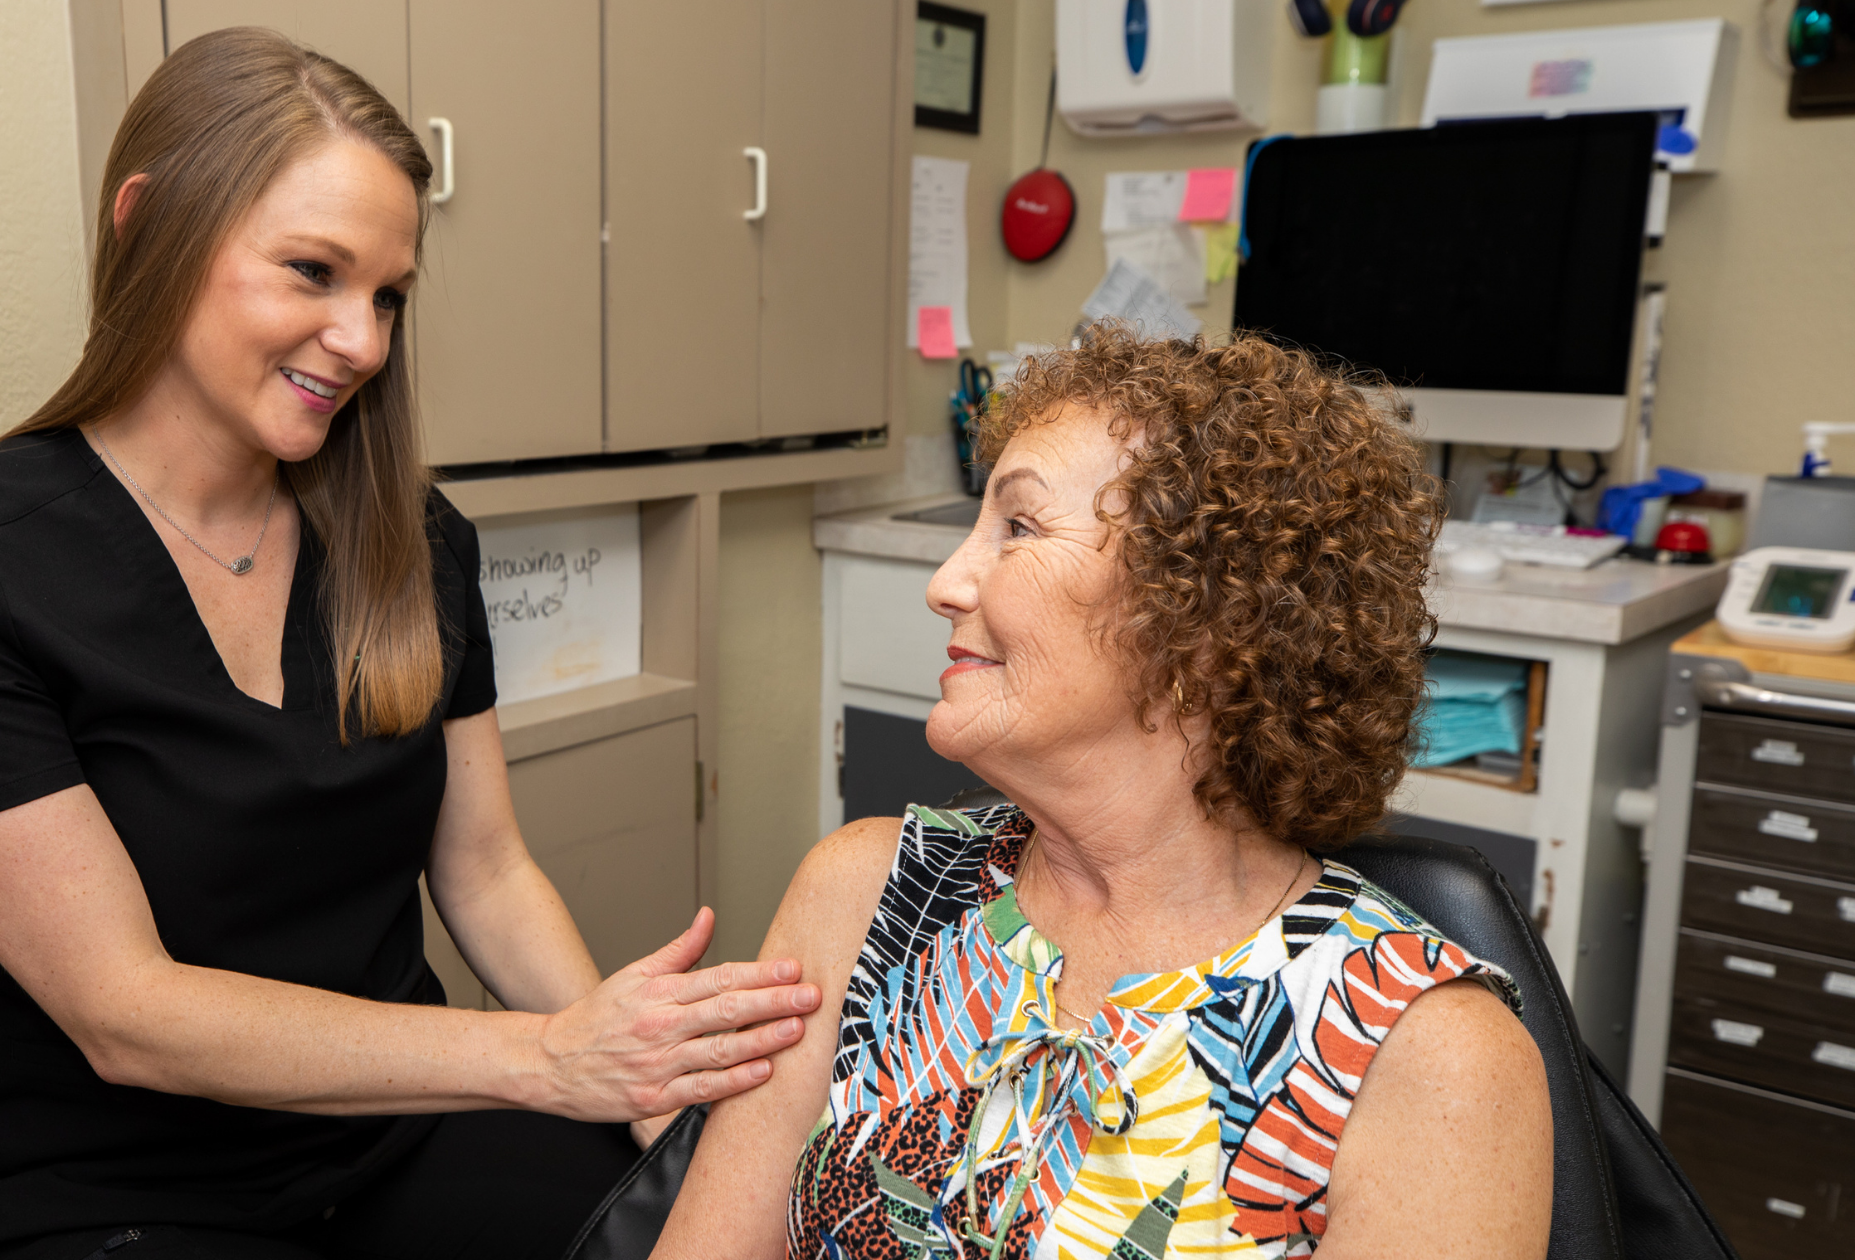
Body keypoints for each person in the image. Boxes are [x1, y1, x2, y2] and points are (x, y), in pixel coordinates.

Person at [0, 27, 819, 1260]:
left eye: (388, 296)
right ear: (148, 226)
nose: (363, 340)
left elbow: (487, 873)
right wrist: (548, 1058)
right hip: (107, 1197)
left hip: (389, 1138)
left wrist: (631, 1080)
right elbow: (124, 1014)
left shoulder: (406, 537)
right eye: (313, 272)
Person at [652, 327, 1554, 1259]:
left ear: (1207, 619)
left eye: (1019, 527)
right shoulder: (870, 898)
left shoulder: (1430, 1062)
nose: (947, 581)